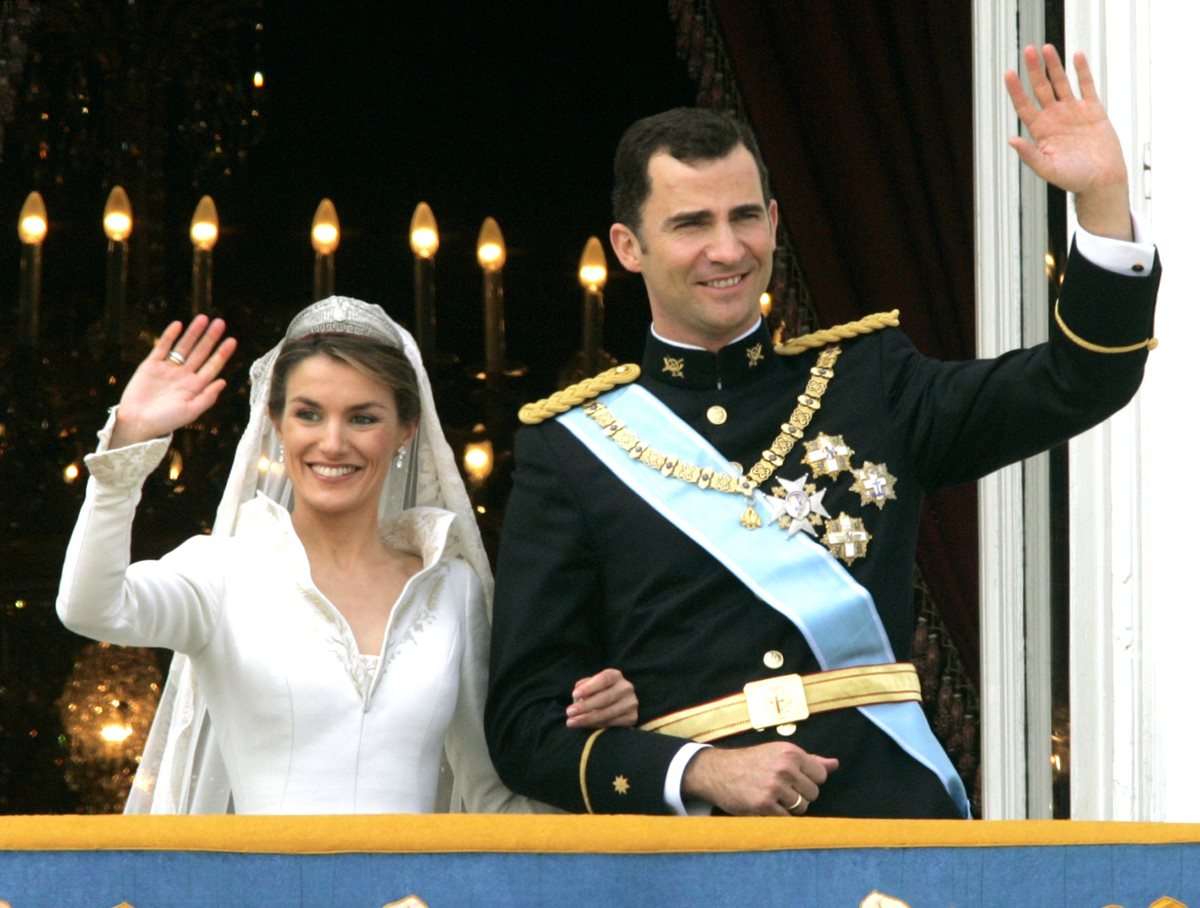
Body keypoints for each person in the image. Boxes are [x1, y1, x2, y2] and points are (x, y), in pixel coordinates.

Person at [484, 45, 1161, 818]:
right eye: (690, 224)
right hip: (691, 860)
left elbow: (1081, 380)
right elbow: (525, 729)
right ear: (629, 247)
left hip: (888, 822)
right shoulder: (573, 448)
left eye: (744, 217)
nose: (728, 249)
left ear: (774, 221)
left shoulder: (870, 383)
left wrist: (1103, 202)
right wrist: (698, 770)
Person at [57, 296, 637, 814]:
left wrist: (599, 747)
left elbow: (490, 796)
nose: (332, 442)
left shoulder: (451, 587)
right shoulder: (221, 572)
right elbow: (91, 608)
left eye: (363, 417)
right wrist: (126, 449)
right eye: (308, 414)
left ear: (406, 428)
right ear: (276, 424)